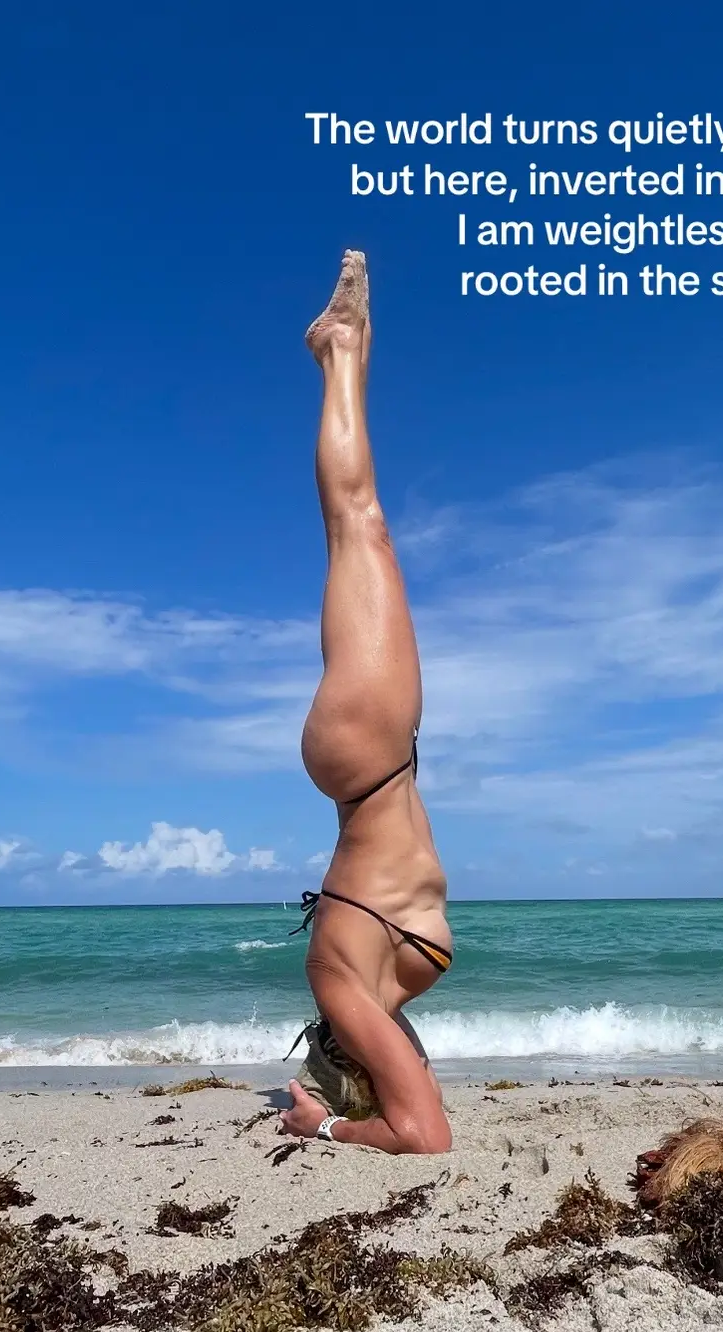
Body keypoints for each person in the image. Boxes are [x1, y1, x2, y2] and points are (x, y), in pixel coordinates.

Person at [279, 250, 453, 1155]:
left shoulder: (341, 979)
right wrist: (354, 1113)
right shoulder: (368, 991)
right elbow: (422, 1126)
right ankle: (345, 352)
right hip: (382, 761)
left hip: (368, 756)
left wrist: (327, 1125)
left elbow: (423, 1136)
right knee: (363, 531)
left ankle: (341, 350)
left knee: (361, 524)